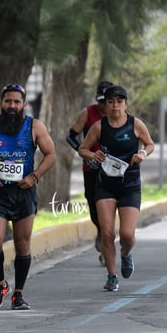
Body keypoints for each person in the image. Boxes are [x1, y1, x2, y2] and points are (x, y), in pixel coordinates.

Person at [0, 84, 56, 310]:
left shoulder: (34, 127)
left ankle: (18, 294)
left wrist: (35, 177)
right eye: (8, 101)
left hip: (24, 193)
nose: (12, 106)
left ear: (24, 105)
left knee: (22, 244)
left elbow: (51, 154)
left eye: (17, 102)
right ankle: (1, 284)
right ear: (1, 103)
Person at [78, 84, 154, 291]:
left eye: (119, 102)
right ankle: (112, 276)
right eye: (110, 102)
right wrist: (93, 155)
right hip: (106, 185)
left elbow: (149, 144)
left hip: (130, 184)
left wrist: (142, 155)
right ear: (105, 104)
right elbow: (82, 149)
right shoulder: (99, 127)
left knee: (127, 234)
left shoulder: (135, 124)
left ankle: (126, 254)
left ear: (125, 104)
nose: (115, 106)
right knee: (108, 232)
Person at [66, 80, 113, 266]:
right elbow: (71, 136)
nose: (105, 106)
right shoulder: (88, 113)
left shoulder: (120, 113)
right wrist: (83, 152)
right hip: (92, 168)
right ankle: (101, 231)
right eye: (102, 101)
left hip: (113, 169)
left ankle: (107, 242)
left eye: (108, 101)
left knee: (110, 205)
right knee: (94, 205)